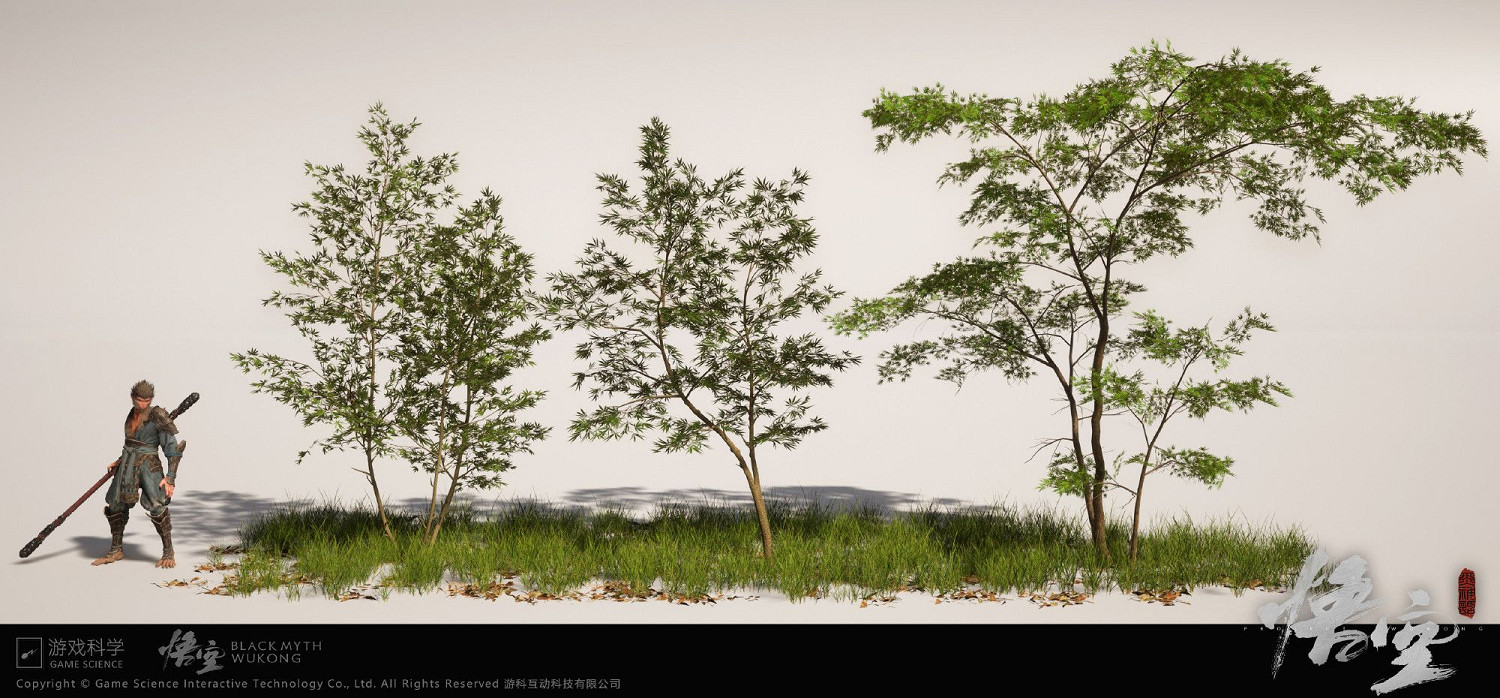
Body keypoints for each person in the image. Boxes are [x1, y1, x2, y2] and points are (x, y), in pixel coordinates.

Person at [92, 380, 184, 568]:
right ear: (133, 398)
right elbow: (133, 442)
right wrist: (120, 460)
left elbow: (173, 449)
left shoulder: (158, 415)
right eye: (140, 400)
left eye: (146, 400)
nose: (143, 404)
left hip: (149, 465)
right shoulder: (131, 414)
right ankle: (116, 549)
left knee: (157, 505)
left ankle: (168, 552)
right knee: (115, 503)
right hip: (128, 462)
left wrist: (170, 479)